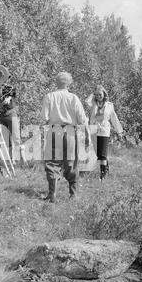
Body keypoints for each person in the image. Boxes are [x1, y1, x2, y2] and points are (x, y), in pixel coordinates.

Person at [41, 72, 91, 203]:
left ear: (56, 82)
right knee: (71, 163)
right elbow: (82, 119)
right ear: (69, 83)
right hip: (70, 133)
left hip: (54, 131)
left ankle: (52, 194)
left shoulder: (49, 96)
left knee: (52, 163)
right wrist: (87, 137)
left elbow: (44, 118)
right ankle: (73, 195)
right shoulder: (74, 98)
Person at [86, 85, 124, 181]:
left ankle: (102, 175)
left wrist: (119, 131)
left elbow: (114, 119)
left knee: (103, 154)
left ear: (104, 95)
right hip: (94, 130)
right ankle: (106, 169)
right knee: (98, 154)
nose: (99, 96)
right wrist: (93, 93)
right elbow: (86, 101)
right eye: (97, 94)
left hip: (104, 131)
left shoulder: (109, 105)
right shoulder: (92, 104)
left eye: (100, 94)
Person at [0, 91, 21, 162]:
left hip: (11, 114)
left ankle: (21, 158)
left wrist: (9, 97)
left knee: (16, 137)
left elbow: (13, 92)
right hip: (1, 115)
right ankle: (10, 159)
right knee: (5, 139)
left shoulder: (7, 89)